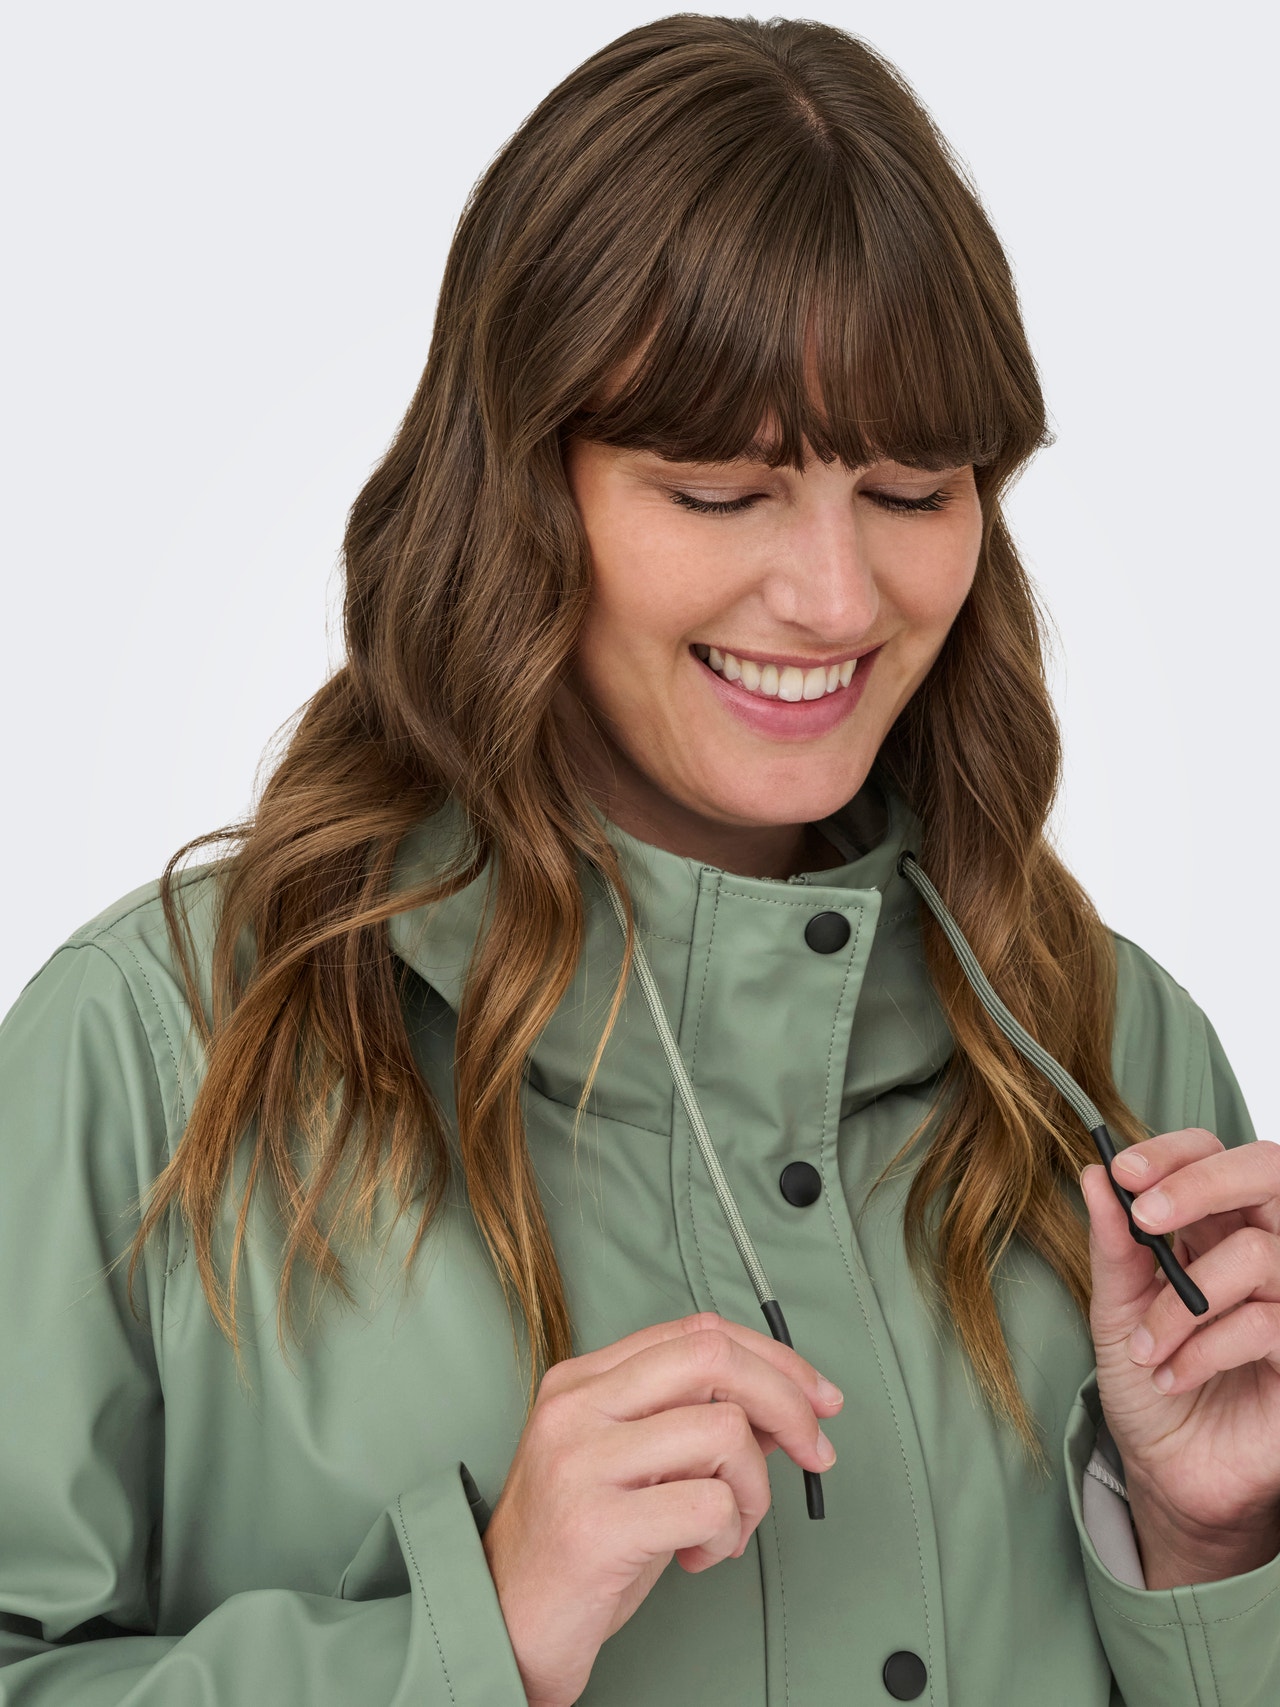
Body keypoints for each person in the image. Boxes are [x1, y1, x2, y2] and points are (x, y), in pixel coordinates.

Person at [2, 12, 1278, 1706]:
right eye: (720, 493)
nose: (837, 598)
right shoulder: (152, 1050)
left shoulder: (1116, 1054)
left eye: (912, 491)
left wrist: (1209, 1553)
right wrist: (474, 1637)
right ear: (518, 493)